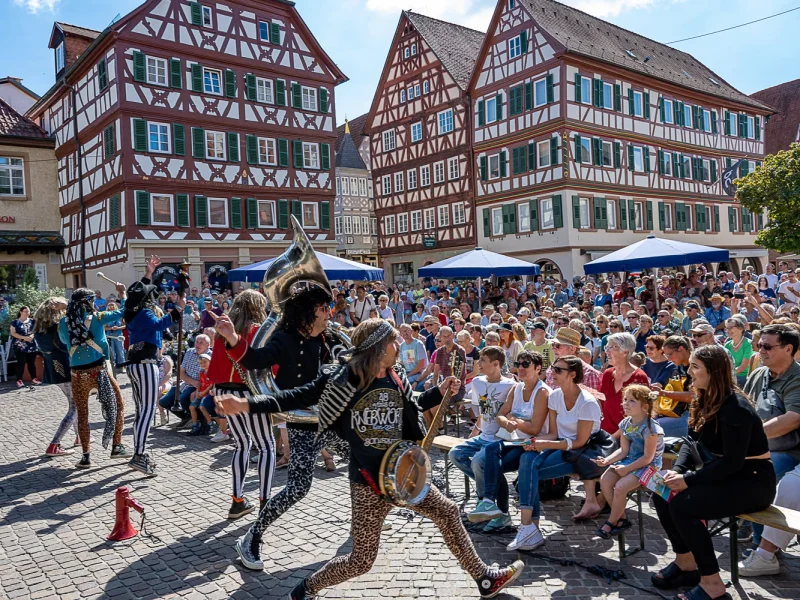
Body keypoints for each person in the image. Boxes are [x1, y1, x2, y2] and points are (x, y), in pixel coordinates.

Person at [216, 319, 524, 599]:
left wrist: (439, 391)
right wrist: (245, 404)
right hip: (367, 484)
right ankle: (306, 588)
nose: (398, 346)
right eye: (393, 341)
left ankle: (484, 578)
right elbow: (294, 396)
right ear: (378, 346)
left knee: (448, 511)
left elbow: (413, 405)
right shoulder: (344, 382)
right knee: (361, 561)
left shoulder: (396, 377)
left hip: (403, 474)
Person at [219, 287, 347, 538]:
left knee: (363, 463)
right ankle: (255, 532)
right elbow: (256, 359)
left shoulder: (330, 337)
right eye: (323, 309)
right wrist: (233, 339)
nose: (329, 314)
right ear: (309, 313)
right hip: (302, 420)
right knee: (298, 488)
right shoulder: (285, 338)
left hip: (331, 417)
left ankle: (367, 518)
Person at [650, 345, 774, 600]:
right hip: (726, 475)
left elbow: (732, 462)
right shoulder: (704, 396)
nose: (689, 371)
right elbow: (691, 442)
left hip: (752, 482)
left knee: (683, 506)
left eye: (695, 367)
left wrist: (688, 480)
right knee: (662, 494)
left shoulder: (735, 407)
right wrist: (678, 473)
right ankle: (686, 563)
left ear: (713, 372)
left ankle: (712, 585)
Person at [488, 356, 605, 550]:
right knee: (526, 458)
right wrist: (536, 442)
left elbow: (579, 442)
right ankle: (529, 528)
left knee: (529, 466)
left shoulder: (587, 402)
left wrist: (544, 443)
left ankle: (529, 528)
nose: (552, 373)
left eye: (558, 370)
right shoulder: (556, 396)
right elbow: (553, 433)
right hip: (561, 446)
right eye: (553, 368)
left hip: (581, 452)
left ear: (573, 374)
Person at [468, 351, 552, 534]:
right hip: (514, 440)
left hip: (533, 444)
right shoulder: (517, 388)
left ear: (538, 368)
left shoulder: (542, 392)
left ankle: (503, 513)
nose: (520, 368)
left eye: (525, 364)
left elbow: (535, 428)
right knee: (485, 455)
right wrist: (507, 421)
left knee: (486, 463)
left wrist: (514, 419)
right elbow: (500, 415)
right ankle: (489, 503)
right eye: (518, 363)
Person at [124, 256, 184, 476]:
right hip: (145, 363)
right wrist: (177, 311)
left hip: (135, 364)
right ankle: (139, 454)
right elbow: (159, 323)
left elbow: (139, 290)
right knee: (148, 410)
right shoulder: (144, 312)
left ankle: (141, 451)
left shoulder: (131, 310)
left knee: (142, 410)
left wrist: (149, 272)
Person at [59, 286, 129, 469]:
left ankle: (86, 456)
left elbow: (65, 342)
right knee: (118, 405)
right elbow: (124, 311)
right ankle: (116, 446)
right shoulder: (98, 318)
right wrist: (123, 294)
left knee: (82, 414)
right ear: (87, 303)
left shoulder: (62, 323)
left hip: (77, 374)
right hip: (99, 371)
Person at [448, 346, 516, 524]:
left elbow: (510, 413)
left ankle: (486, 501)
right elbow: (482, 413)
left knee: (479, 461)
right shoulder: (478, 382)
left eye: (483, 361)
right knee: (455, 454)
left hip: (499, 439)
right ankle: (488, 486)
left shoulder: (511, 385)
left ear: (496, 364)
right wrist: (474, 432)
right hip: (482, 436)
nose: (479, 364)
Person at [593, 385, 664, 539]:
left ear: (645, 407)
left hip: (648, 466)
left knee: (620, 487)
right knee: (605, 480)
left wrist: (626, 469)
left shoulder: (651, 428)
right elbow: (623, 450)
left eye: (632, 401)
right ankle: (622, 518)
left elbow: (648, 457)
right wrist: (607, 460)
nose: (626, 403)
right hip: (630, 460)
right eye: (625, 399)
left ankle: (611, 522)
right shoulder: (625, 424)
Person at [34, 297, 78, 457]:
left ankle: (79, 437)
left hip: (53, 369)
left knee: (73, 403)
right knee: (76, 406)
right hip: (65, 368)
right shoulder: (57, 327)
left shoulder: (39, 327)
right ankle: (54, 445)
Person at [598, 332, 649, 434]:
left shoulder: (639, 378)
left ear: (625, 352)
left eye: (613, 347)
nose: (607, 351)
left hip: (628, 437)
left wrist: (613, 438)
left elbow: (638, 417)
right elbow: (601, 402)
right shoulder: (608, 374)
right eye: (607, 346)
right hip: (604, 434)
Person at [10, 306, 40, 387]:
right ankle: (19, 380)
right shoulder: (15, 322)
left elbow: (35, 330)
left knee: (31, 363)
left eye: (28, 311)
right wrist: (24, 338)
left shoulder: (32, 321)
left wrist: (31, 336)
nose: (27, 313)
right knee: (21, 362)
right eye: (25, 311)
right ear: (21, 312)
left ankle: (34, 378)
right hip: (20, 345)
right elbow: (13, 333)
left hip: (31, 344)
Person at [187, 353, 214, 436]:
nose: (203, 365)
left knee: (202, 407)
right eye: (201, 363)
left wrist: (203, 392)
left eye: (205, 362)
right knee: (192, 407)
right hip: (201, 392)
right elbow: (200, 383)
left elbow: (211, 384)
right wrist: (198, 391)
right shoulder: (201, 372)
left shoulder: (212, 372)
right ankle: (195, 424)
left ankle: (210, 423)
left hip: (206, 393)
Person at [724, 318, 753, 387]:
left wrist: (728, 375)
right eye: (727, 328)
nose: (728, 331)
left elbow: (743, 366)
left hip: (744, 378)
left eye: (731, 328)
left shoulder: (748, 344)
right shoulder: (727, 344)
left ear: (741, 329)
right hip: (730, 375)